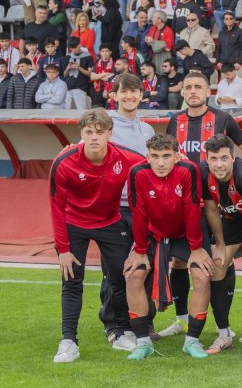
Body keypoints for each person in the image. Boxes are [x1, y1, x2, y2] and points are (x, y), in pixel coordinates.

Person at [48, 109, 143, 363]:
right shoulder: (64, 162)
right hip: (74, 223)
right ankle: (69, 341)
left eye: (99, 132)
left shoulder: (125, 157)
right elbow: (56, 208)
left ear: (109, 134)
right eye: (88, 132)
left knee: (120, 277)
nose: (93, 137)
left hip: (110, 222)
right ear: (81, 134)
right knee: (72, 281)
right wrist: (63, 249)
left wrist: (178, 158)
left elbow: (154, 163)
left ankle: (122, 332)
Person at [121, 134, 210, 360]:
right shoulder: (137, 173)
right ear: (148, 157)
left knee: (202, 276)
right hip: (154, 233)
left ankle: (192, 341)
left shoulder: (188, 170)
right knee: (133, 275)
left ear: (177, 156)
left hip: (186, 233)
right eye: (155, 156)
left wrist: (196, 249)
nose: (161, 163)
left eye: (166, 156)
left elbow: (192, 210)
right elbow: (138, 213)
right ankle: (143, 343)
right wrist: (140, 251)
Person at [199, 134, 242, 354]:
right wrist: (219, 243)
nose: (219, 164)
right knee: (217, 265)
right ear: (207, 159)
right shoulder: (203, 173)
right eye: (214, 158)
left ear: (233, 158)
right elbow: (211, 209)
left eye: (224, 158)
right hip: (233, 220)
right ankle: (224, 333)